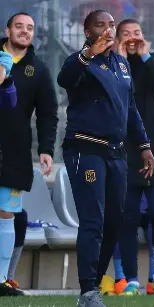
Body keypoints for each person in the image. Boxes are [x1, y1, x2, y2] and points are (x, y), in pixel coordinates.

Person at [57, 10, 154, 307]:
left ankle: (93, 286)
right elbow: (65, 79)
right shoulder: (80, 61)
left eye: (112, 25)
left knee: (114, 221)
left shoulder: (122, 64)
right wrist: (87, 54)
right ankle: (88, 290)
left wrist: (145, 145)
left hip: (117, 152)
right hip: (86, 150)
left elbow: (130, 108)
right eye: (101, 25)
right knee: (93, 219)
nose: (108, 30)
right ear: (88, 31)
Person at [109, 18, 154, 295]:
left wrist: (146, 56)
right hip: (126, 152)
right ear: (117, 39)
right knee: (127, 218)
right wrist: (121, 59)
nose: (133, 38)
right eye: (126, 34)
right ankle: (132, 280)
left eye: (137, 33)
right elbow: (116, 94)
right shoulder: (110, 65)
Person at [0, 12, 58, 295]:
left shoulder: (39, 69)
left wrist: (46, 149)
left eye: (30, 28)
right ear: (7, 30)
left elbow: (48, 113)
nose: (24, 32)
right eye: (19, 26)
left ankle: (1, 280)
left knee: (6, 213)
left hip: (13, 152)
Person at [0, 51, 26, 297]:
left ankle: (2, 279)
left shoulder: (5, 65)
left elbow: (9, 101)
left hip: (9, 155)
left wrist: (5, 76)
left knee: (7, 212)